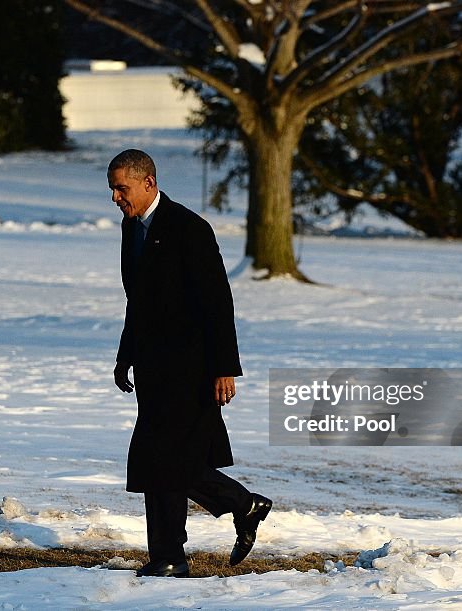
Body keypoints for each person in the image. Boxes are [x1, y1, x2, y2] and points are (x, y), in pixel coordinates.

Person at [109, 149, 272, 578]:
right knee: (157, 460)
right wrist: (126, 356)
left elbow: (218, 302)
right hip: (152, 368)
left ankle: (171, 555)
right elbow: (137, 302)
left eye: (121, 188)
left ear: (149, 183)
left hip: (192, 369)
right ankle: (237, 510)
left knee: (165, 459)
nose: (115, 197)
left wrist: (224, 368)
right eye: (112, 189)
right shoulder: (131, 228)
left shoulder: (189, 229)